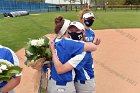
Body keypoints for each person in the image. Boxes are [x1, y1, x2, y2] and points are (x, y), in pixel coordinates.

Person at [47, 16, 98, 93]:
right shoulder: (71, 44)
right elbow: (92, 47)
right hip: (68, 85)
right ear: (67, 31)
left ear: (83, 32)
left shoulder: (55, 41)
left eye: (76, 30)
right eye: (71, 30)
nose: (73, 32)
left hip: (83, 84)